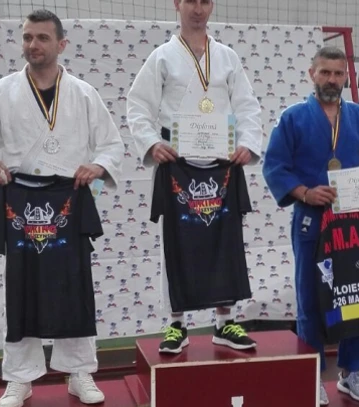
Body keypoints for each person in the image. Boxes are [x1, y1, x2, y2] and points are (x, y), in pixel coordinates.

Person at [0, 9, 124, 407]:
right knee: (21, 287)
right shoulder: (3, 90)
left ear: (61, 44)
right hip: (20, 200)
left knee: (74, 285)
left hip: (68, 198)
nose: (33, 45)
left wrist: (97, 167)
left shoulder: (83, 93)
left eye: (42, 38)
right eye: (27, 37)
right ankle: (19, 377)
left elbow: (111, 144)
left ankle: (79, 371)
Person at [126, 0, 262, 354]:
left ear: (211, 5)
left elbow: (247, 106)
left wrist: (247, 144)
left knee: (225, 243)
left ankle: (225, 322)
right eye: (190, 1)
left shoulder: (227, 57)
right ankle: (176, 324)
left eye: (204, 1)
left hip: (222, 165)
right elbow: (138, 105)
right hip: (178, 164)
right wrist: (152, 143)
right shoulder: (162, 57)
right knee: (176, 243)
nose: (197, 9)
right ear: (177, 4)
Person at [263, 46, 359, 405]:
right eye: (325, 72)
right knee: (310, 300)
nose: (331, 79)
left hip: (355, 223)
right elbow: (274, 166)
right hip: (313, 222)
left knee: (356, 298)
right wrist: (305, 191)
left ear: (346, 77)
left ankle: (351, 373)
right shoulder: (293, 118)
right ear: (312, 74)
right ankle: (313, 376)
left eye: (338, 73)